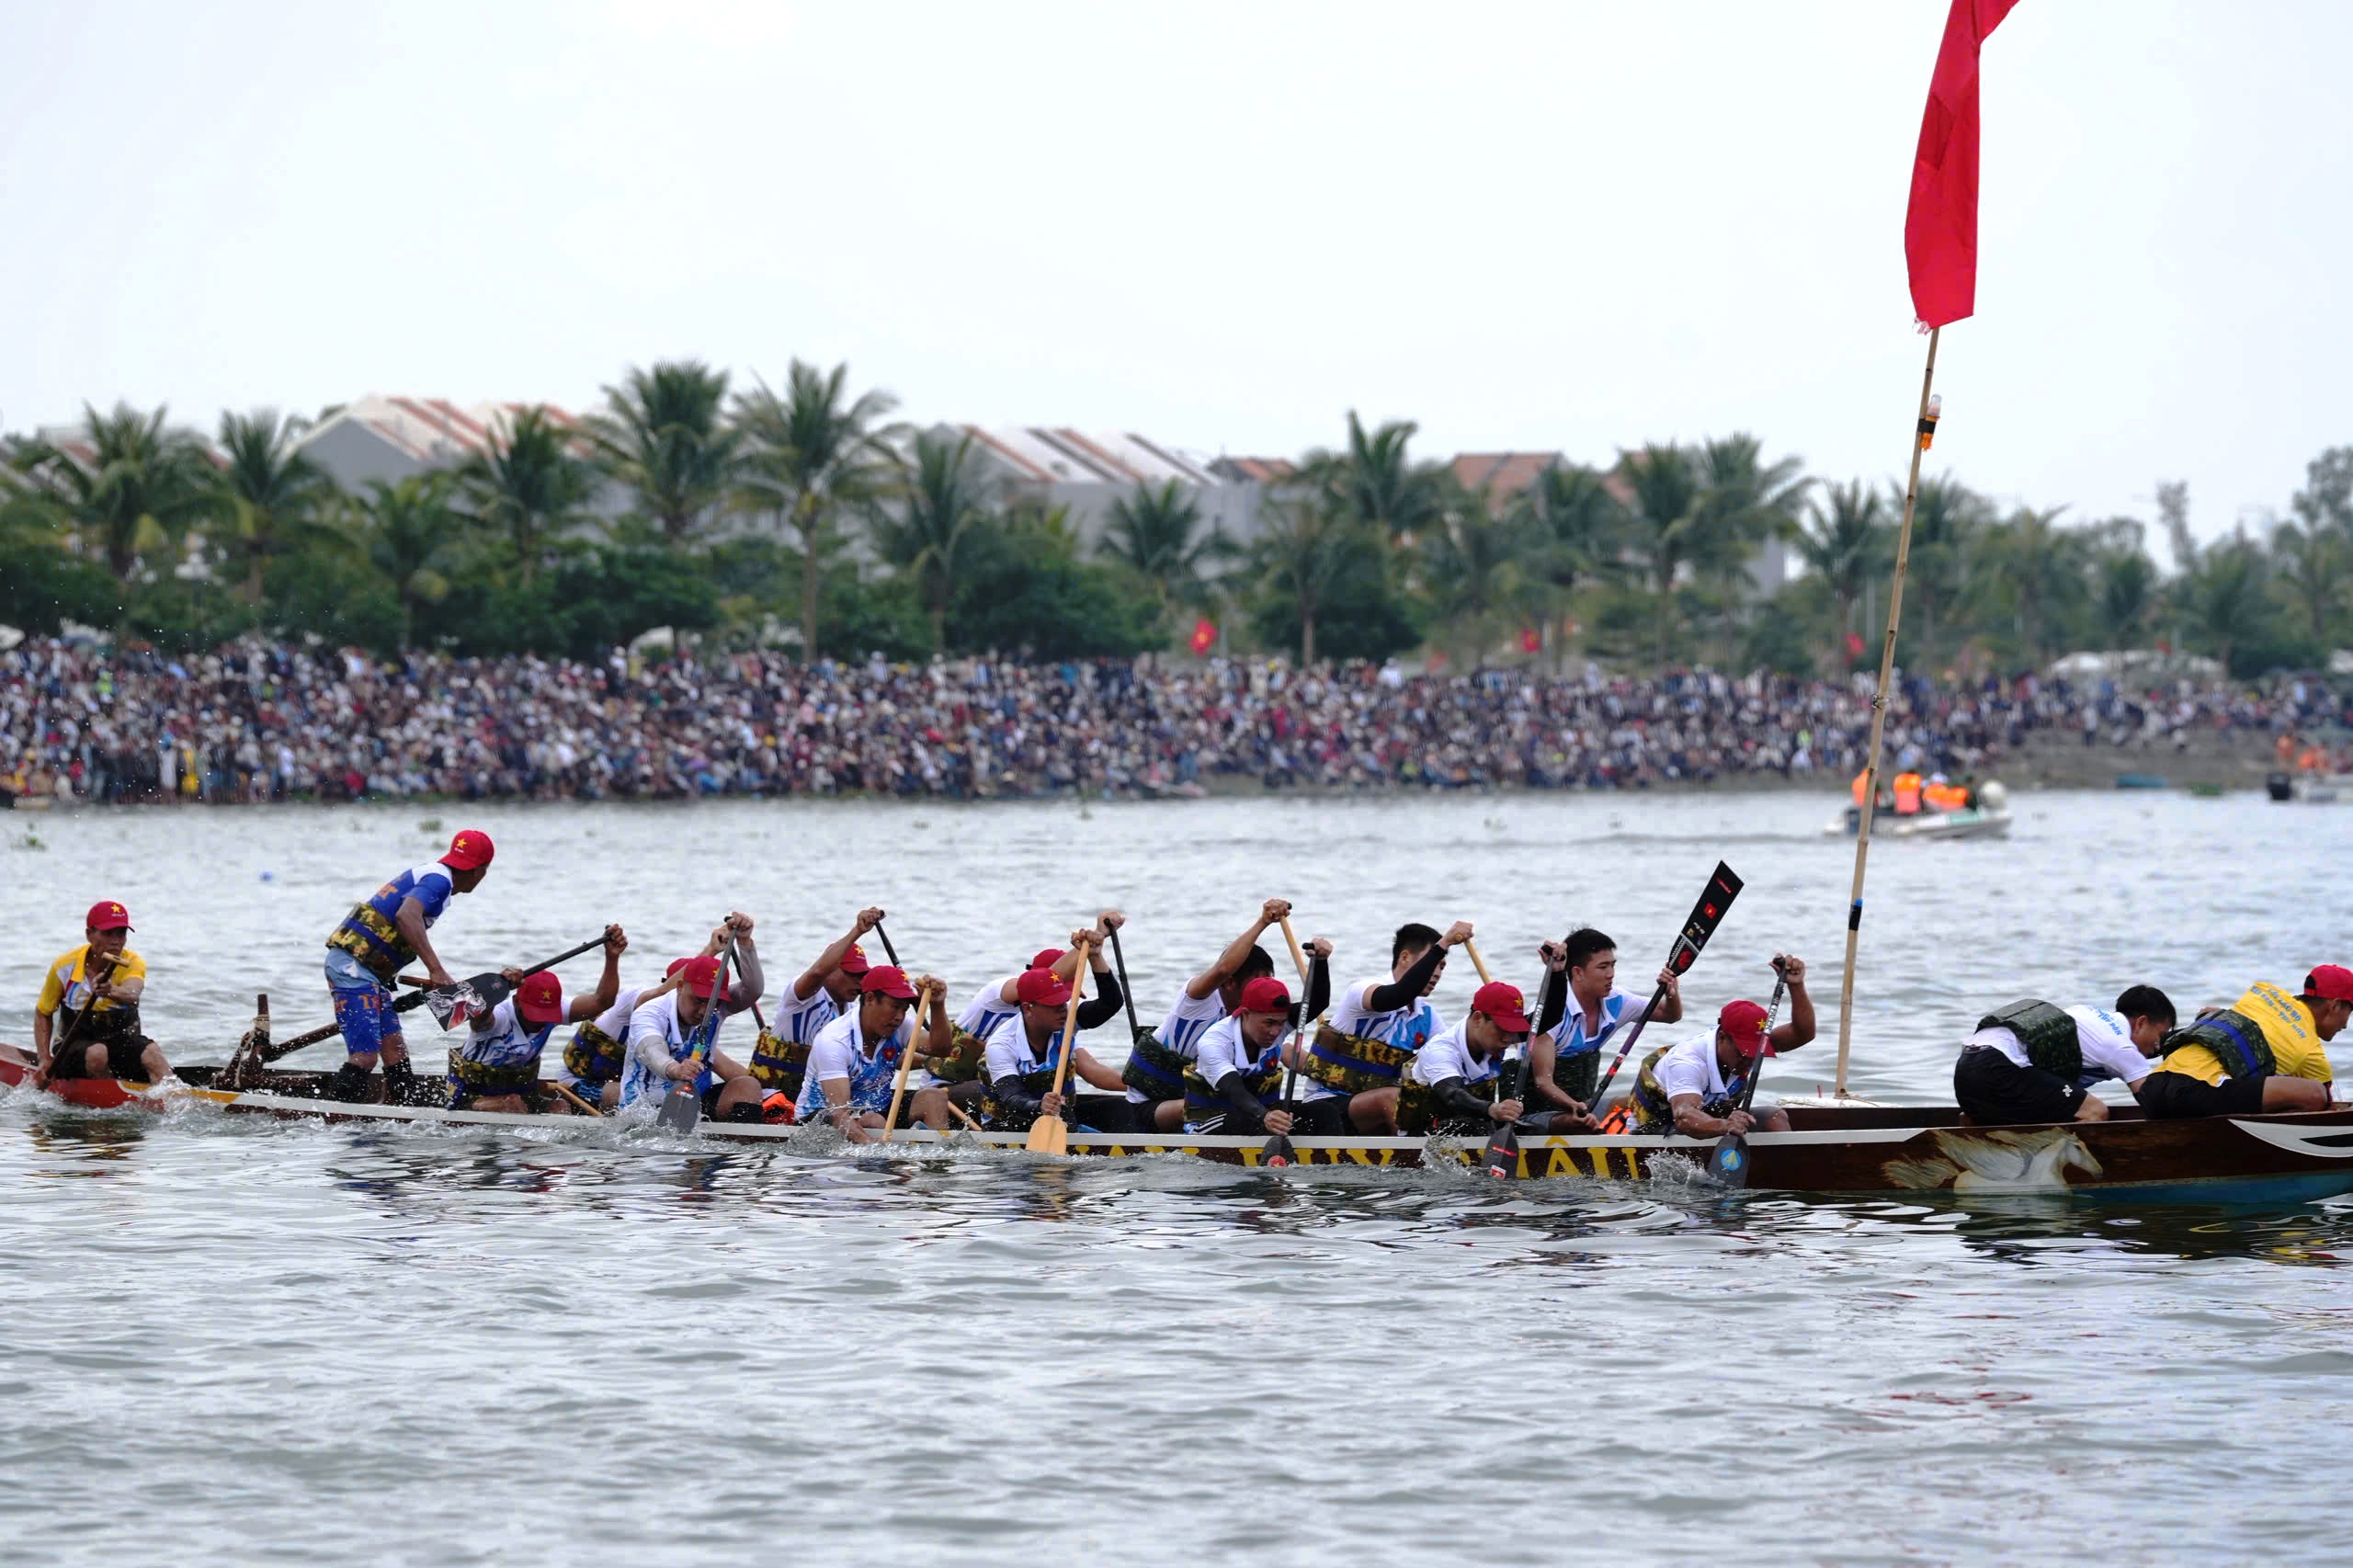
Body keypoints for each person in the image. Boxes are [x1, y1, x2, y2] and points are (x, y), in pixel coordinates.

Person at [321, 828, 494, 1104]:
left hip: (368, 973)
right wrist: (436, 969)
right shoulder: (439, 881)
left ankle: (402, 1118)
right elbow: (406, 916)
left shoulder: (435, 875)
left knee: (395, 1054)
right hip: (351, 969)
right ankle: (333, 1121)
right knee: (365, 1057)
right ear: (480, 871)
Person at [1120, 899, 1293, 1132]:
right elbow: (1223, 968)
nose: (1262, 989)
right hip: (1153, 1107)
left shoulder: (1255, 1021)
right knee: (1226, 1107)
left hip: (1219, 1105)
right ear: (1230, 983)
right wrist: (1263, 922)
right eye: (1256, 981)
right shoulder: (1197, 1002)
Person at [1297, 920, 1471, 1134]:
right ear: (1404, 957)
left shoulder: (1428, 1017)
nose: (1436, 973)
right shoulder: (1361, 992)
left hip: (1382, 1107)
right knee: (1393, 1098)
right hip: (1327, 1105)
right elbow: (1396, 996)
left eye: (1442, 966)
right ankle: (1416, 1160)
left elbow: (1450, 1061)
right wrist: (1444, 943)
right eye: (1432, 961)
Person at [448, 926, 625, 1112]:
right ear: (516, 1001)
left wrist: (612, 958)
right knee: (512, 1104)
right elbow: (479, 1016)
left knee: (561, 1106)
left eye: (546, 1015)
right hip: (470, 1095)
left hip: (520, 1092)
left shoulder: (556, 1010)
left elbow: (602, 1001)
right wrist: (496, 986)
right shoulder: (497, 1017)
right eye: (534, 1014)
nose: (540, 1022)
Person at [1628, 967, 1817, 1137]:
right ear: (1722, 1038)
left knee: (1775, 1117)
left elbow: (1803, 1034)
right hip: (1659, 1130)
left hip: (1711, 1119)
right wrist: (1725, 1125)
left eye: (1755, 1053)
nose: (1749, 1059)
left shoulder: (1744, 1046)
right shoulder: (1687, 1061)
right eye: (1744, 1052)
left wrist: (1797, 985)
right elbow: (1684, 1117)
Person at [2136, 967, 2347, 1119]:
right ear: (2335, 1006)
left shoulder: (2262, 993)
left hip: (2154, 1087)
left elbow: (2208, 1013)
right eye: (2350, 1012)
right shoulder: (2311, 1051)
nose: (2345, 1025)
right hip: (2195, 1093)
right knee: (2314, 1093)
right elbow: (2328, 1113)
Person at [1525, 927, 1687, 1119]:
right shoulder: (1549, 1015)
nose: (1611, 974)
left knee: (1652, 1104)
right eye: (1603, 967)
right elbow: (1543, 1082)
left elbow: (1670, 1015)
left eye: (1612, 965)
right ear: (1578, 973)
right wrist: (1575, 1107)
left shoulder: (1617, 1001)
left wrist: (1671, 991)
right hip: (1535, 1111)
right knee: (1575, 1121)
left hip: (1584, 1104)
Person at [617, 917, 768, 1121]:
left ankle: (745, 1144)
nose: (704, 1010)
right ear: (680, 987)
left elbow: (753, 990)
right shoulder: (650, 1013)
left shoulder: (718, 1007)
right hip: (646, 1105)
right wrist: (675, 1069)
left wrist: (745, 943)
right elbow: (652, 1051)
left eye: (711, 1003)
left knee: (748, 1085)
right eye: (698, 1000)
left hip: (696, 1099)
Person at [1952, 986, 2172, 1126]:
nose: (2158, 1045)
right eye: (2161, 1034)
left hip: (1967, 1064)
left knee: (2060, 1104)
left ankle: (1974, 1123)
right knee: (2093, 1111)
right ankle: (2075, 1177)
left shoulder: (2087, 1012)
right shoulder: (2120, 1047)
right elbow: (2155, 1105)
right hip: (2000, 1065)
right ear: (2141, 1022)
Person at [1401, 980, 1595, 1136]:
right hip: (1422, 1134)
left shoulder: (1492, 1037)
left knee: (1534, 1128)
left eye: (1513, 1031)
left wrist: (1558, 972)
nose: (1508, 1039)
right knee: (1473, 1126)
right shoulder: (1442, 1051)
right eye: (1502, 1029)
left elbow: (1551, 1017)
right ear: (1478, 1019)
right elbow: (1453, 1095)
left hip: (1474, 1124)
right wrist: (1493, 1109)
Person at [796, 965, 956, 1142]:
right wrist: (877, 1150)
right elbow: (838, 1112)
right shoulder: (834, 1041)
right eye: (895, 1006)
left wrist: (938, 1005)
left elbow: (940, 1049)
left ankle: (936, 1162)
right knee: (874, 1121)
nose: (899, 1016)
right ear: (870, 998)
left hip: (876, 1109)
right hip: (818, 1120)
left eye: (904, 1009)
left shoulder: (899, 1026)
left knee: (934, 1097)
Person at [745, 905, 883, 1108]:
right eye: (852, 974)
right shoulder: (802, 997)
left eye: (863, 976)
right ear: (831, 969)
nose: (859, 982)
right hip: (776, 1097)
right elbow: (818, 972)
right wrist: (858, 931)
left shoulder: (853, 1012)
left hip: (821, 1097)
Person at [983, 961, 1141, 1132]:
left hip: (1059, 1113)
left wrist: (1096, 958)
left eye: (1063, 1002)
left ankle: (1127, 1151)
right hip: (1009, 1122)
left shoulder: (1067, 1018)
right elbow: (1012, 1098)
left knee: (1119, 1107)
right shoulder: (1002, 1044)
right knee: (1062, 1113)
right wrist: (1039, 1105)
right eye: (1054, 1005)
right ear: (1028, 1008)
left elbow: (1110, 1003)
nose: (1063, 1011)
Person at [32, 900, 173, 1088]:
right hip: (73, 1045)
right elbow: (43, 1012)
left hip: (121, 1040)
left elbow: (132, 992)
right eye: (107, 933)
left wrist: (111, 991)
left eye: (121, 933)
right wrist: (44, 1059)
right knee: (97, 1053)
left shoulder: (133, 962)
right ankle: (110, 1100)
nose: (115, 941)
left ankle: (177, 1100)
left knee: (153, 1053)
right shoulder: (64, 966)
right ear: (89, 934)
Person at [554, 942, 704, 1112]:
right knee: (644, 1095)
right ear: (677, 987)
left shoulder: (689, 1026)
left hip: (621, 1084)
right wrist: (712, 949)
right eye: (696, 998)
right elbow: (660, 993)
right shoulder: (640, 1004)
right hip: (575, 1082)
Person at [1182, 976, 1313, 1136]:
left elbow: (1318, 1002)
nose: (1276, 1031)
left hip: (1260, 1117)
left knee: (1321, 1111)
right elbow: (1234, 1090)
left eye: (1281, 1023)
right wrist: (1265, 1116)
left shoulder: (1278, 1027)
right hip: (1210, 1123)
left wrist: (1321, 959)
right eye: (1269, 1023)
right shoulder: (1215, 1042)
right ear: (1245, 1014)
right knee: (1244, 1120)